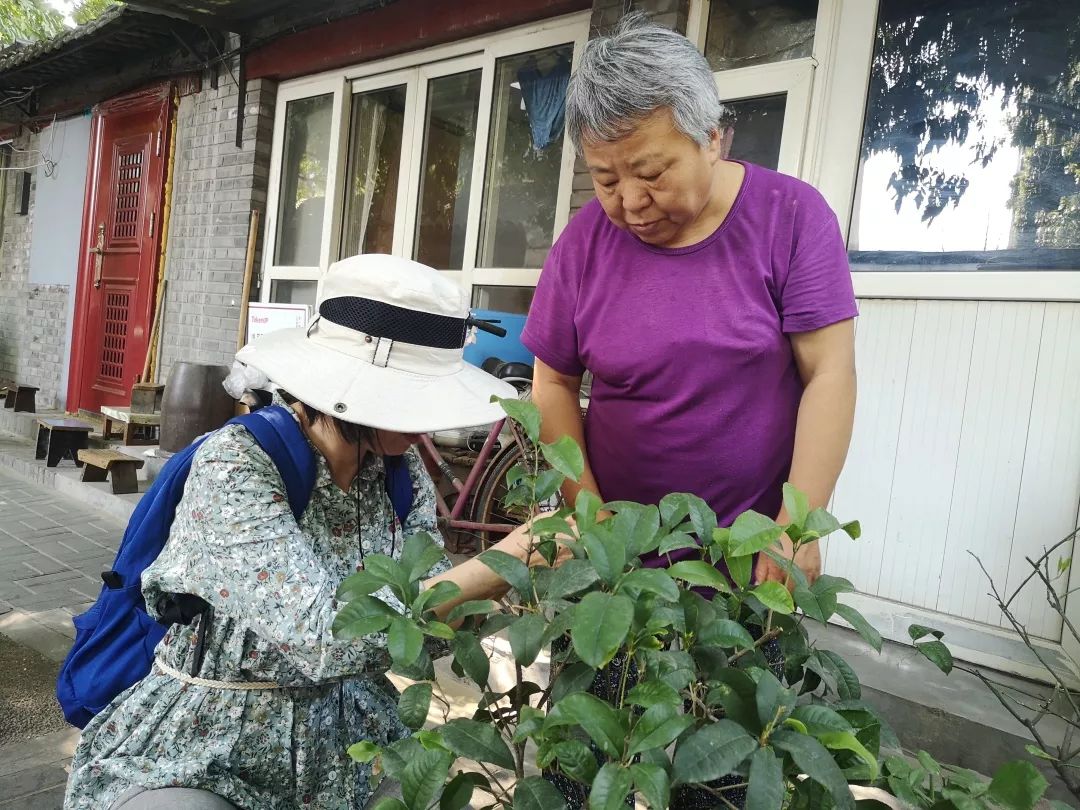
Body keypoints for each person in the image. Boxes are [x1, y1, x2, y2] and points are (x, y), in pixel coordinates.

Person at [64, 255, 561, 810]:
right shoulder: (237, 464)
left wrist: (525, 583)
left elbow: (426, 622)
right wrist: (501, 561)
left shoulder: (398, 470)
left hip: (353, 731)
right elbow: (321, 636)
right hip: (212, 738)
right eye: (407, 396)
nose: (422, 421)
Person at [522, 14, 858, 588]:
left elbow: (830, 373)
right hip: (616, 564)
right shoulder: (583, 244)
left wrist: (795, 526)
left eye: (652, 172)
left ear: (712, 138)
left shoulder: (792, 218)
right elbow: (550, 385)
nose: (630, 201)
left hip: (745, 559)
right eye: (605, 180)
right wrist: (590, 515)